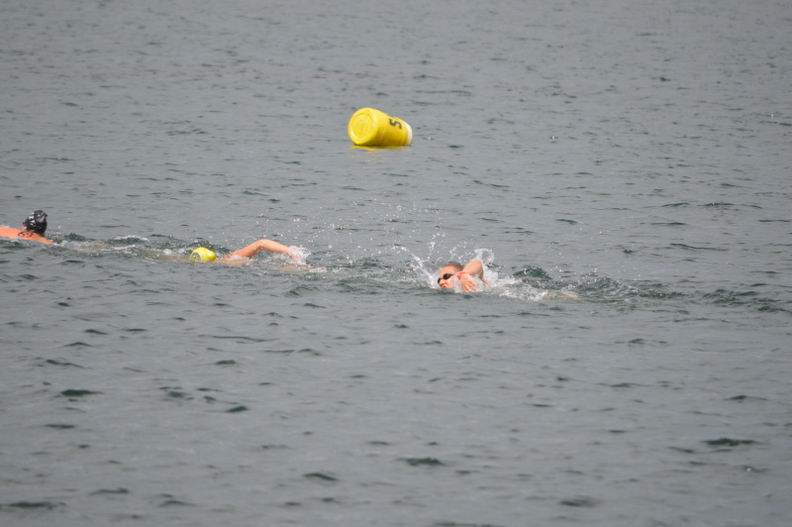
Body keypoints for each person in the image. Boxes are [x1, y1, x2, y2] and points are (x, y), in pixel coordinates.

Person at [190, 238, 302, 265]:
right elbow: (261, 243)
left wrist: (290, 251)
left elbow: (261, 243)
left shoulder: (230, 260)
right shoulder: (229, 259)